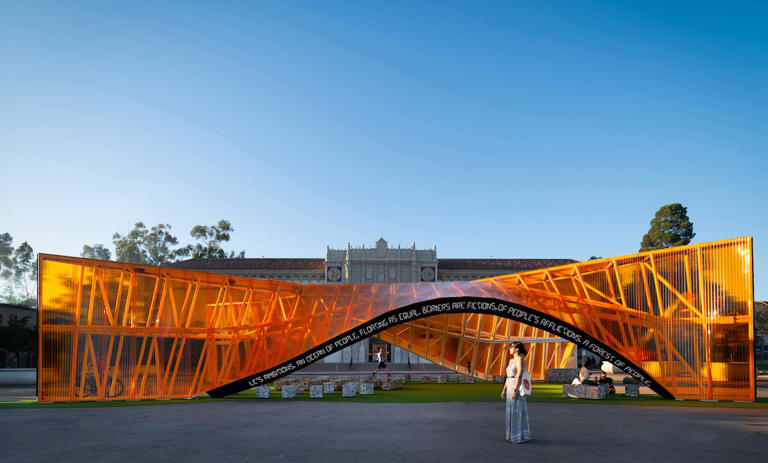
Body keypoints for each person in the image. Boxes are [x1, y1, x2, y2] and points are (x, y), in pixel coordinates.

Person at [500, 342, 531, 444]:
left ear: (517, 349)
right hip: (509, 386)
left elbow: (519, 375)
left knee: (516, 411)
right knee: (510, 411)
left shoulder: (520, 360)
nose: (510, 348)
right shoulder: (510, 361)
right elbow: (508, 377)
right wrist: (504, 390)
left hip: (515, 387)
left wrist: (515, 390)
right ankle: (510, 435)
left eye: (512, 347)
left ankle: (516, 436)